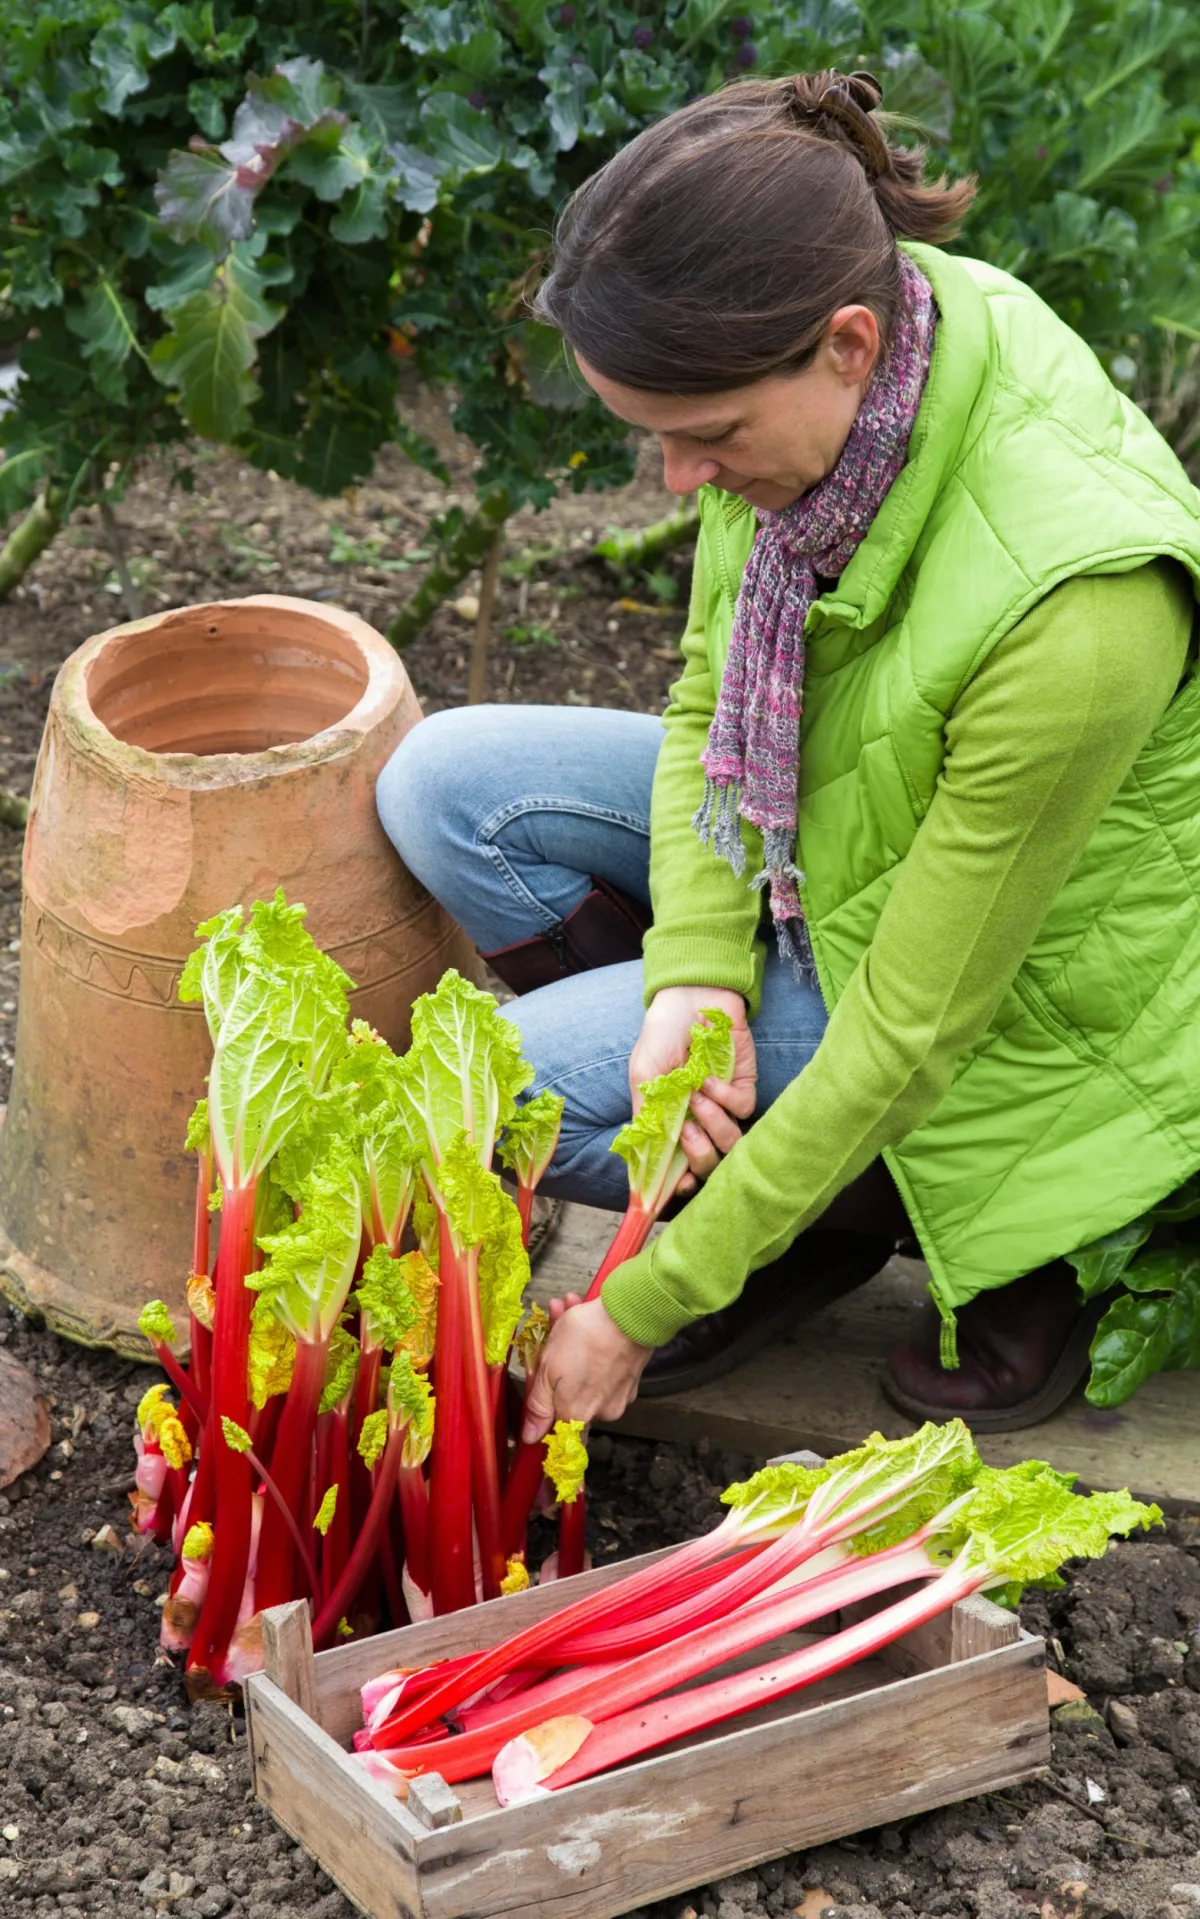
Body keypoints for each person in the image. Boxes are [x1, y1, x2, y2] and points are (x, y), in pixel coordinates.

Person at [377, 70, 1200, 1440]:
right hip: (838, 841)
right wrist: (695, 974)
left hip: (1028, 1002)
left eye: (702, 438)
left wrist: (638, 1302)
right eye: (652, 437)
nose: (678, 484)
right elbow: (712, 688)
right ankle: (766, 1188)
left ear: (850, 344)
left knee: (492, 1083)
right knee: (445, 784)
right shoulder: (838, 382)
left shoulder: (1081, 608)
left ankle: (947, 1230)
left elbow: (917, 1024)